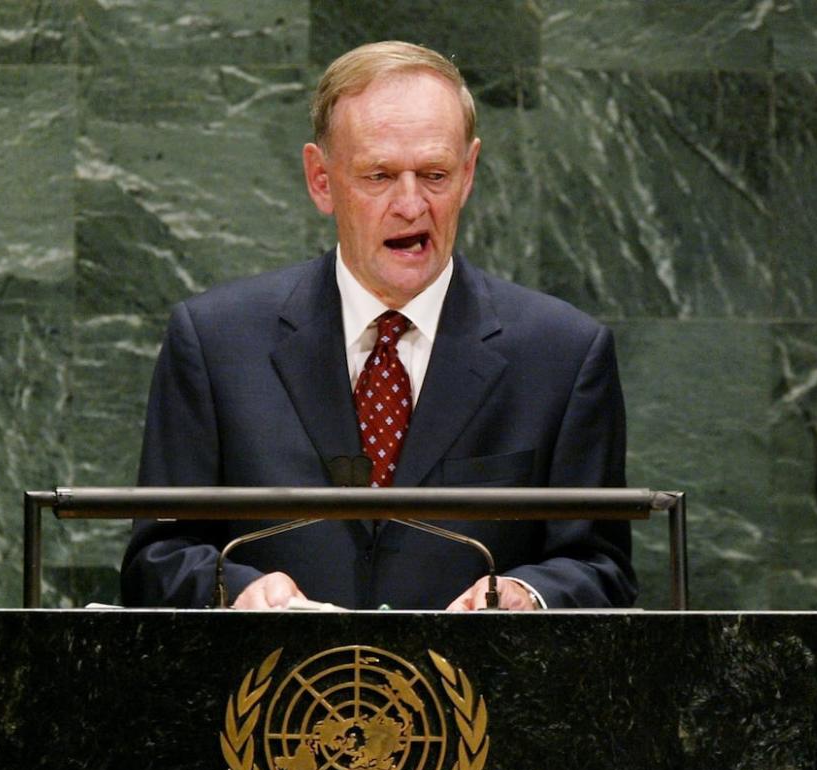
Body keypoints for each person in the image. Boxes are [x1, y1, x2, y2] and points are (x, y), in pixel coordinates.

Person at [120, 40, 637, 611]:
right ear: (321, 179)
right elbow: (158, 558)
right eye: (380, 175)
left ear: (468, 174)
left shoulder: (563, 354)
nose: (411, 204)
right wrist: (238, 590)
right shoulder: (216, 342)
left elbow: (601, 566)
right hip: (274, 691)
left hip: (479, 694)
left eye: (435, 174)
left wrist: (525, 594)